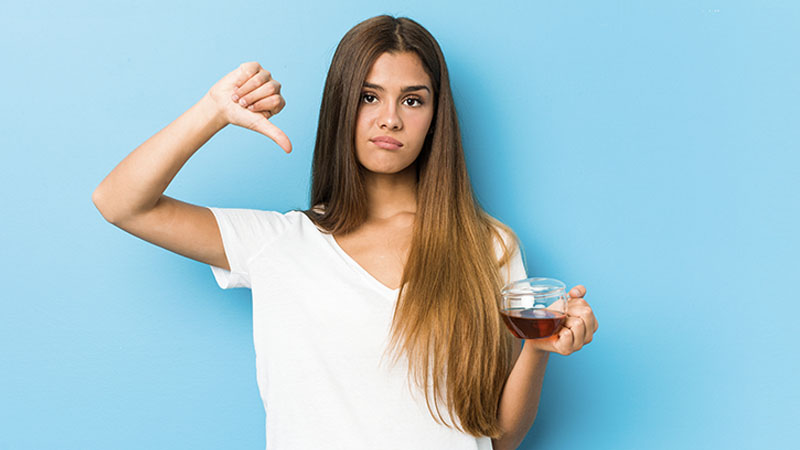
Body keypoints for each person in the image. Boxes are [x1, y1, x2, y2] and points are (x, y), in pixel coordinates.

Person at [92, 15, 597, 450]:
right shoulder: (277, 244)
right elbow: (119, 203)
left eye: (413, 101)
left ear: (434, 118)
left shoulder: (487, 246)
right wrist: (214, 110)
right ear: (341, 108)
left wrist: (539, 346)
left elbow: (500, 436)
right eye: (368, 96)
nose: (390, 119)